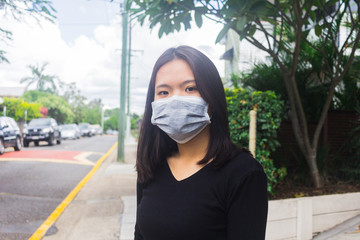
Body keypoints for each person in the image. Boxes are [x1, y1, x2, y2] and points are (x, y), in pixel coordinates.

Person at [135, 45, 268, 240]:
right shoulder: (151, 166)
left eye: (190, 88)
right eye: (164, 92)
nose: (175, 100)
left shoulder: (244, 173)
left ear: (212, 98)